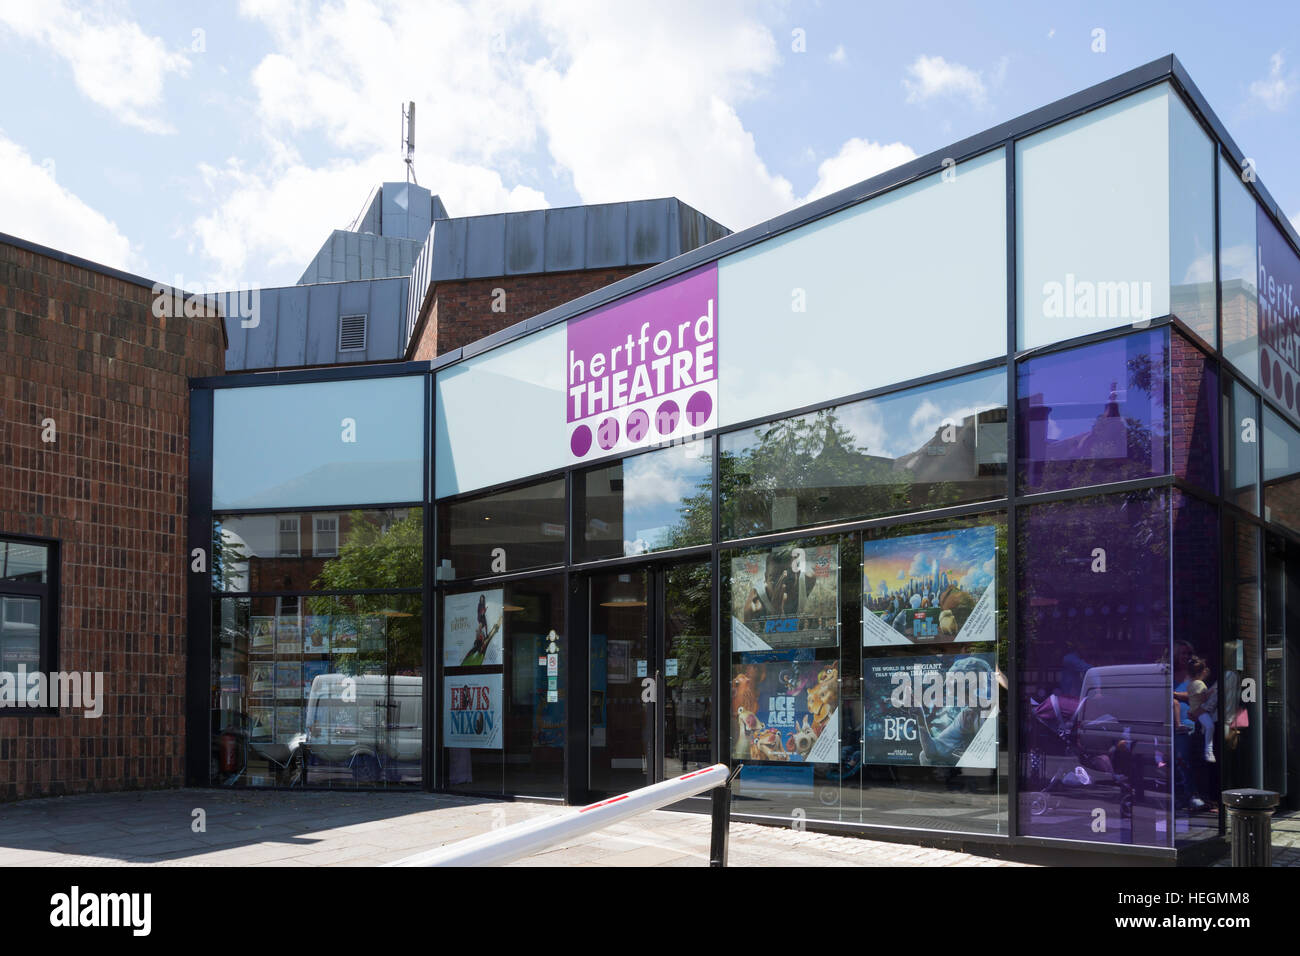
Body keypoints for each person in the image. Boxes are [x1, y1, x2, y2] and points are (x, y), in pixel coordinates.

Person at [1175, 656, 1216, 764]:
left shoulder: (1191, 683)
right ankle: (1208, 751)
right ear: (1199, 673)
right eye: (1204, 671)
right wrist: (1212, 691)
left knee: (1205, 727)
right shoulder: (1199, 684)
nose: (1206, 672)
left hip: (1194, 710)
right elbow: (1203, 698)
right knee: (1210, 726)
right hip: (1199, 710)